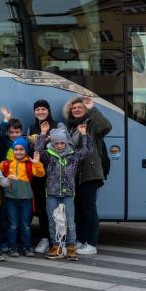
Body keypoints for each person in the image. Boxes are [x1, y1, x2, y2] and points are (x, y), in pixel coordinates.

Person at [35, 122, 92, 260]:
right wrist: (43, 134)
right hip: (52, 194)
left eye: (62, 143)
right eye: (56, 143)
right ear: (52, 144)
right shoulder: (48, 155)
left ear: (66, 142)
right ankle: (56, 246)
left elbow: (87, 150)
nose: (59, 146)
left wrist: (84, 134)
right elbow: (38, 150)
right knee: (52, 221)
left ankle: (71, 246)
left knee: (70, 222)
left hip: (68, 194)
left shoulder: (74, 155)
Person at [64, 96, 112, 256]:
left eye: (80, 107)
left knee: (89, 210)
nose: (76, 109)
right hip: (74, 176)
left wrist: (92, 108)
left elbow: (106, 127)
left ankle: (91, 243)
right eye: (74, 107)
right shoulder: (69, 127)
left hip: (90, 174)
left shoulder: (92, 125)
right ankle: (80, 240)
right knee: (77, 209)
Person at [1, 137, 45, 257]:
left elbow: (41, 174)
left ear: (26, 151)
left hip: (26, 199)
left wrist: (38, 163)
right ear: (13, 150)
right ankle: (12, 247)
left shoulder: (30, 164)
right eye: (16, 149)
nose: (19, 152)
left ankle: (27, 247)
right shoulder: (6, 164)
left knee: (25, 225)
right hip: (11, 199)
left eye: (21, 149)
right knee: (13, 224)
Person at [27, 99, 56, 254]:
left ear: (49, 110)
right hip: (39, 173)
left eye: (43, 109)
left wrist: (46, 138)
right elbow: (31, 148)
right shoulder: (31, 128)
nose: (40, 112)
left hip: (55, 174)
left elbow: (63, 144)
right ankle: (45, 238)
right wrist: (42, 138)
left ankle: (57, 240)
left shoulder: (58, 125)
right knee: (42, 207)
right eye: (37, 109)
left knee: (55, 207)